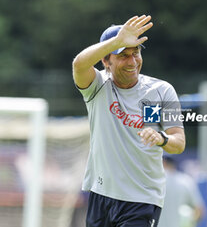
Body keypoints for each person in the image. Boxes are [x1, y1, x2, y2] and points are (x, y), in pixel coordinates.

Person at [72, 15, 186, 227]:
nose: (133, 61)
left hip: (142, 200)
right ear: (106, 60)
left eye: (136, 53)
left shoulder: (162, 91)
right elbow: (79, 64)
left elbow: (179, 143)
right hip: (101, 195)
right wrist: (117, 41)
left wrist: (161, 138)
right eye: (124, 55)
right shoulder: (97, 86)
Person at [158, 156, 205, 227]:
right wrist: (189, 222)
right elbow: (199, 211)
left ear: (163, 162)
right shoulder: (186, 181)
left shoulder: (151, 180)